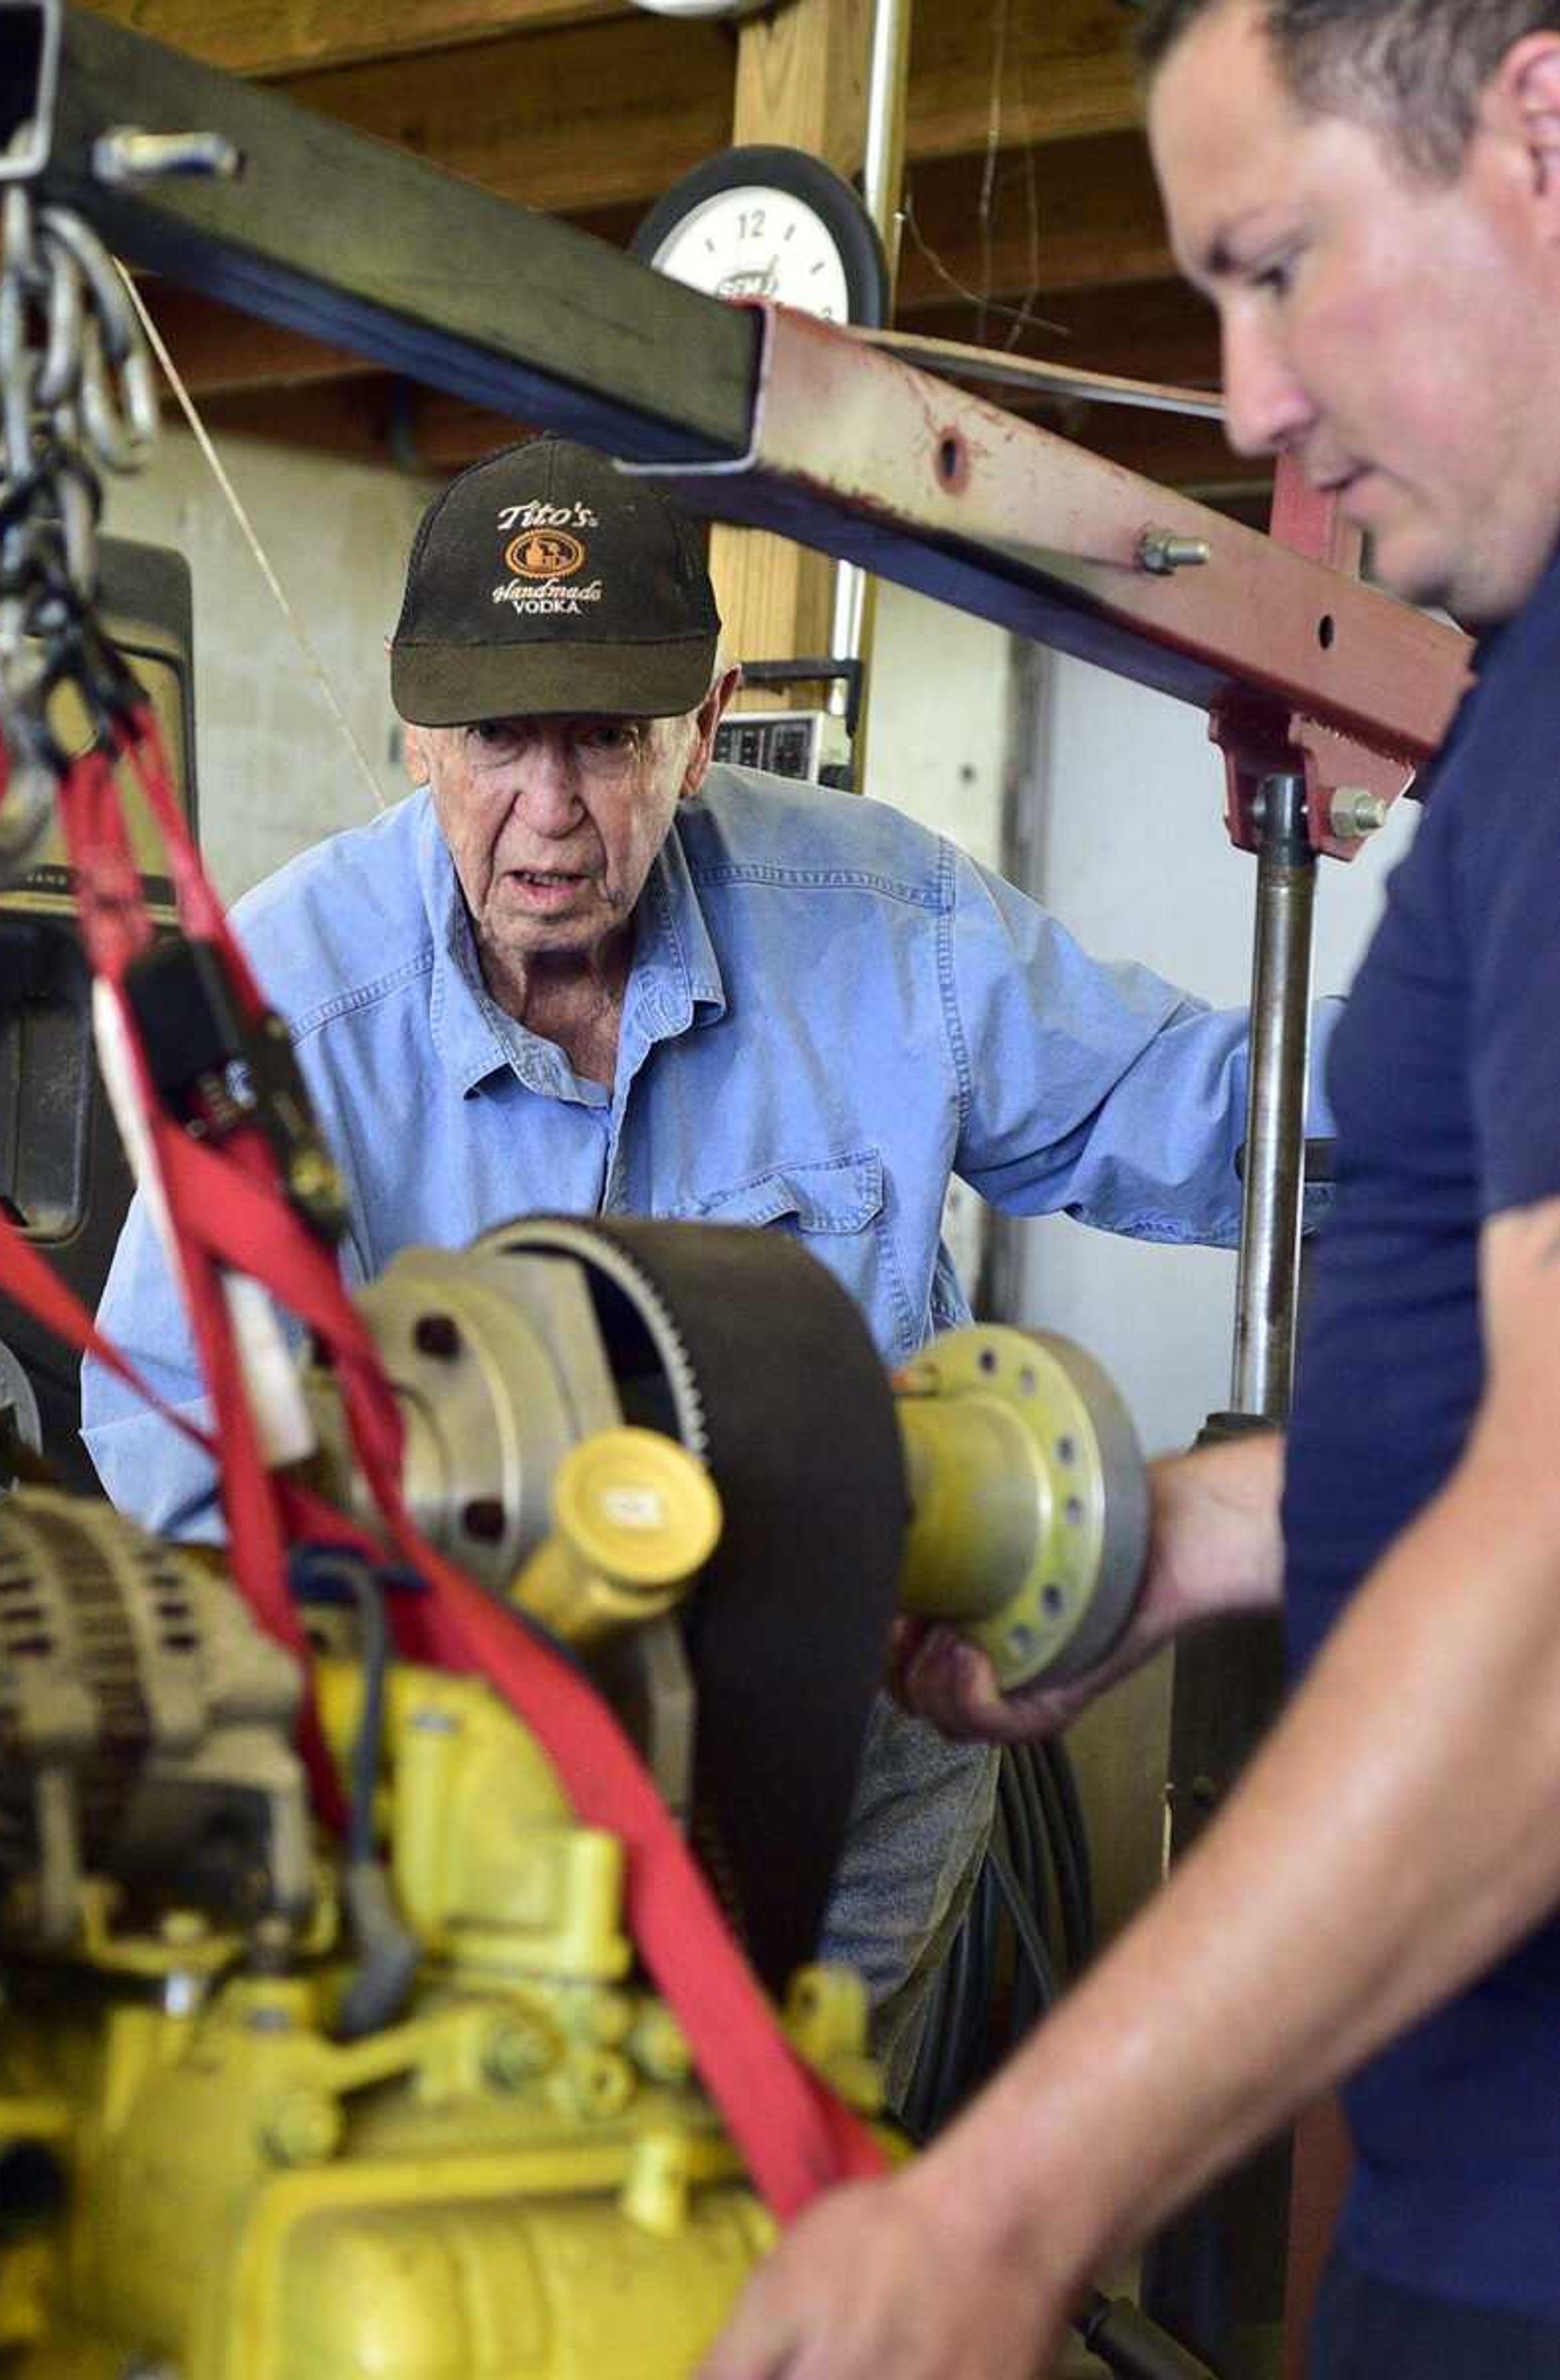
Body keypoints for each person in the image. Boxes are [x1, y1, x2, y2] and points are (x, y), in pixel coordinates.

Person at [83, 433, 1331, 2093]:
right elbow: (179, 1447)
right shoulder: (288, 1011)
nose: (548, 812)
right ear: (413, 735)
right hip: (466, 1789)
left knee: (798, 2183)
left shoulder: (888, 926)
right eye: (492, 741)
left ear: (704, 725)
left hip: (858, 1757)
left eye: (604, 739)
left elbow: (1195, 1111)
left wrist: (1485, 1094)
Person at [699, 5, 1560, 2377]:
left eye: (1276, 268)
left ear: (1542, 132)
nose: (1250, 396)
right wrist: (1179, 1535)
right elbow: (1491, 1416)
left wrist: (997, 2203)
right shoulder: (1526, 713)